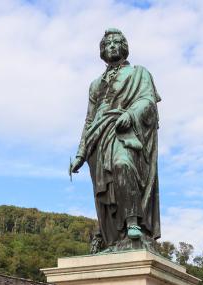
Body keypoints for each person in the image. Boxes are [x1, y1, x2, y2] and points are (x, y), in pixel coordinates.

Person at [69, 28, 161, 251]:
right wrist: (81, 154)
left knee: (123, 164)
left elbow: (148, 101)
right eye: (107, 43)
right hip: (98, 140)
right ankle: (111, 236)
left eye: (115, 42)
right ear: (102, 50)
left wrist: (131, 114)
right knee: (104, 189)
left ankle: (132, 222)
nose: (111, 46)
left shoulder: (139, 73)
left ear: (124, 47)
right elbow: (89, 119)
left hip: (124, 132)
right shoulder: (95, 84)